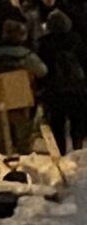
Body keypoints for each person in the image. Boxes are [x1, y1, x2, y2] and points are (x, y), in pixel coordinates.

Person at [0, 18, 50, 158]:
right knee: (24, 138)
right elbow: (43, 71)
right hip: (23, 102)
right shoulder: (28, 56)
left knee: (1, 141)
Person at [38, 10, 87, 153]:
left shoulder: (45, 43)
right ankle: (78, 148)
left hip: (54, 90)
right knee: (76, 120)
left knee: (57, 123)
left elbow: (43, 68)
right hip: (76, 88)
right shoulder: (77, 40)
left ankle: (61, 151)